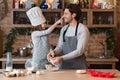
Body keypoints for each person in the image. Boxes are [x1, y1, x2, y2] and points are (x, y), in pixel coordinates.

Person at [47, 4, 90, 69]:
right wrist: (54, 52)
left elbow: (79, 51)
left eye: (66, 14)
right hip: (65, 67)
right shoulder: (64, 29)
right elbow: (60, 47)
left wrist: (61, 58)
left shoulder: (82, 29)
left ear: (73, 15)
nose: (63, 16)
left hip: (79, 67)